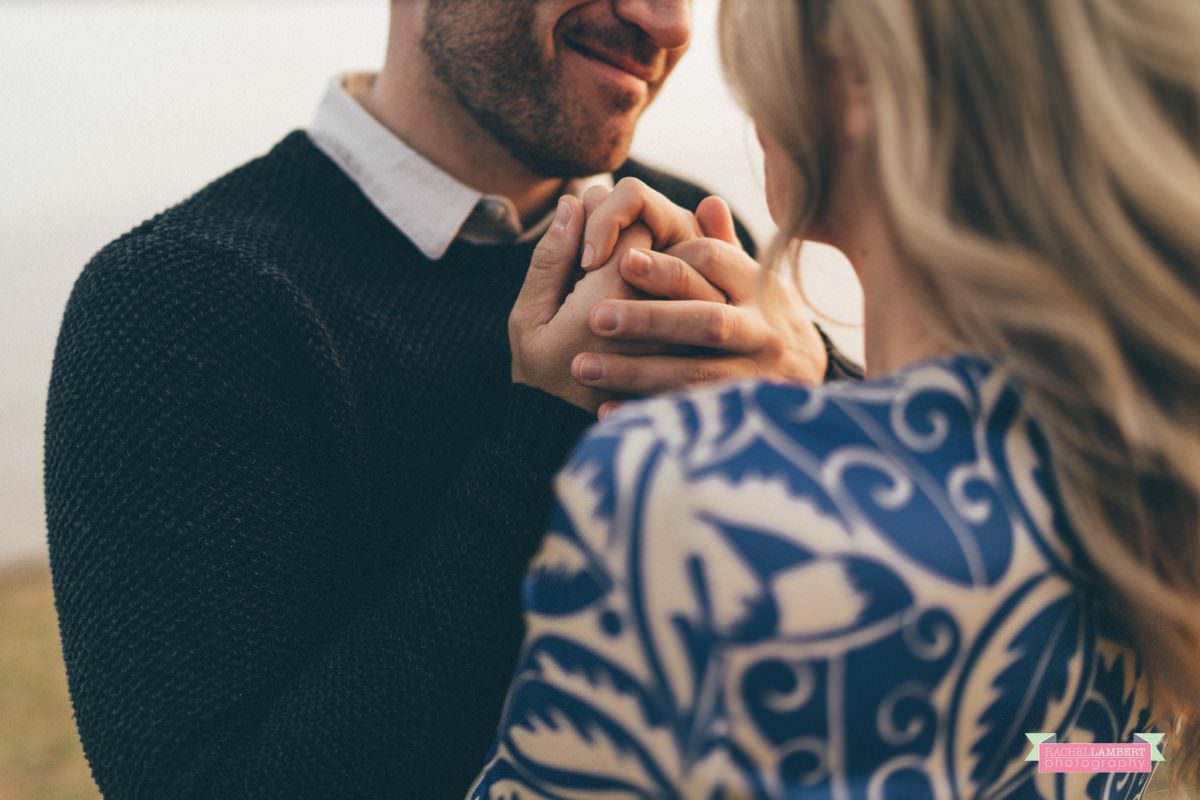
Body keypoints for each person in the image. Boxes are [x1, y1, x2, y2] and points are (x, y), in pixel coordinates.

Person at [44, 1, 856, 798]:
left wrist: (819, 388)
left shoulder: (695, 239)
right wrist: (543, 444)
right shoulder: (180, 302)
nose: (671, 23)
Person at [474, 0, 1200, 796]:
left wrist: (543, 424)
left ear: (855, 78)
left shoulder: (683, 492)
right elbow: (1129, 758)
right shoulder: (1145, 488)